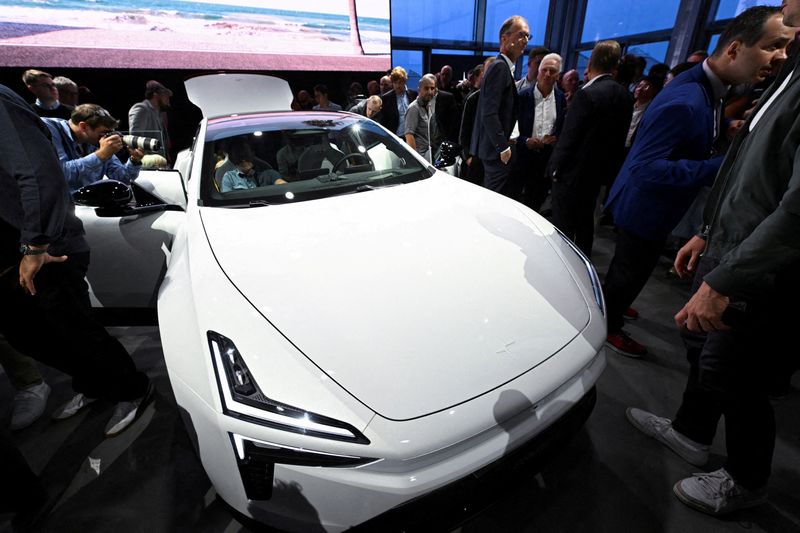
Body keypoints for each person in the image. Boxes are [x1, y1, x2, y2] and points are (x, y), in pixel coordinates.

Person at [626, 0, 800, 515]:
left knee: (732, 371)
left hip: (757, 269)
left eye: (784, 37)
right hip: (728, 244)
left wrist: (726, 278)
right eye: (774, 41)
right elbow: (748, 173)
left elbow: (795, 210)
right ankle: (690, 432)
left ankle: (747, 481)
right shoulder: (784, 82)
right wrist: (707, 231)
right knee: (702, 349)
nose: (782, 43)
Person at [603, 6, 793, 358]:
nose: (781, 57)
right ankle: (607, 326)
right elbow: (646, 169)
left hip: (652, 209)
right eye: (773, 46)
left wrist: (725, 130)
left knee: (628, 272)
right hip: (644, 210)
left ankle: (614, 305)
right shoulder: (687, 99)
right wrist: (724, 168)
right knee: (628, 273)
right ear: (735, 49)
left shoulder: (706, 89)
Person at [0, 83, 152, 440]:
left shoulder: (13, 114)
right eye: (100, 133)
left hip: (51, 245)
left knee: (74, 327)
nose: (105, 138)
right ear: (82, 125)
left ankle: (131, 388)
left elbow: (113, 179)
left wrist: (126, 158)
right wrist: (97, 156)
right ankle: (95, 383)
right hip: (27, 244)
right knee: (30, 335)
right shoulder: (49, 129)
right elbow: (62, 174)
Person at [546, 40, 633, 258]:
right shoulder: (625, 96)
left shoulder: (587, 94)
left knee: (563, 227)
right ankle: (583, 263)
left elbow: (570, 137)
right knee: (585, 224)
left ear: (591, 62)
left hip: (571, 176)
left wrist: (554, 168)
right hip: (598, 177)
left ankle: (562, 267)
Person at [470, 15, 529, 196]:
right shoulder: (499, 67)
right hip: (499, 152)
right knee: (495, 201)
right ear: (505, 38)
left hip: (500, 150)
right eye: (521, 35)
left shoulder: (503, 68)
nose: (525, 40)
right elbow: (489, 113)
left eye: (528, 36)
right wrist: (503, 148)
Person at [42, 104, 144, 193]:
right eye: (104, 132)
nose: (107, 136)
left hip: (86, 205)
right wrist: (100, 155)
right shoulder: (49, 129)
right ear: (83, 127)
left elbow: (122, 179)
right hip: (57, 206)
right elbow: (60, 174)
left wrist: (134, 160)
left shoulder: (94, 140)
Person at [514, 52, 567, 212]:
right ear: (538, 71)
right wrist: (525, 141)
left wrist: (555, 138)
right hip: (523, 158)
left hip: (545, 160)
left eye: (552, 71)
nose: (547, 74)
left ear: (558, 76)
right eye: (544, 69)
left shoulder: (560, 98)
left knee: (536, 202)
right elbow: (512, 128)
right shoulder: (523, 96)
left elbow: (560, 127)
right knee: (516, 201)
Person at [459, 57, 495, 185]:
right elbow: (464, 131)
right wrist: (467, 157)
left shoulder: (504, 98)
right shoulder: (473, 99)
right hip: (476, 159)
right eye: (488, 71)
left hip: (495, 161)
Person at [128, 79, 172, 160]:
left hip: (160, 164)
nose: (168, 99)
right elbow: (134, 140)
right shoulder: (141, 109)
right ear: (155, 94)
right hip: (147, 165)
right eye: (165, 95)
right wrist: (145, 160)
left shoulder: (160, 114)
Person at [220, 139, 285, 192]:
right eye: (238, 155)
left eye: (246, 154)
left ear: (252, 154)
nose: (243, 159)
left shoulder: (268, 173)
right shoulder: (229, 177)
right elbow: (227, 199)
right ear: (232, 159)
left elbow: (282, 185)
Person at [404, 74, 438, 162]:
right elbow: (409, 135)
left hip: (430, 156)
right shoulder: (414, 108)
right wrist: (416, 160)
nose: (430, 92)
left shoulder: (430, 106)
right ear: (419, 89)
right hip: (420, 158)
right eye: (426, 88)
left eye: (432, 88)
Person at [380, 66, 417, 138]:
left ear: (405, 81)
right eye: (395, 83)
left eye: (400, 82)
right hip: (395, 137)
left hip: (413, 136)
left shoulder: (414, 95)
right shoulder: (386, 98)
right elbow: (384, 121)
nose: (397, 86)